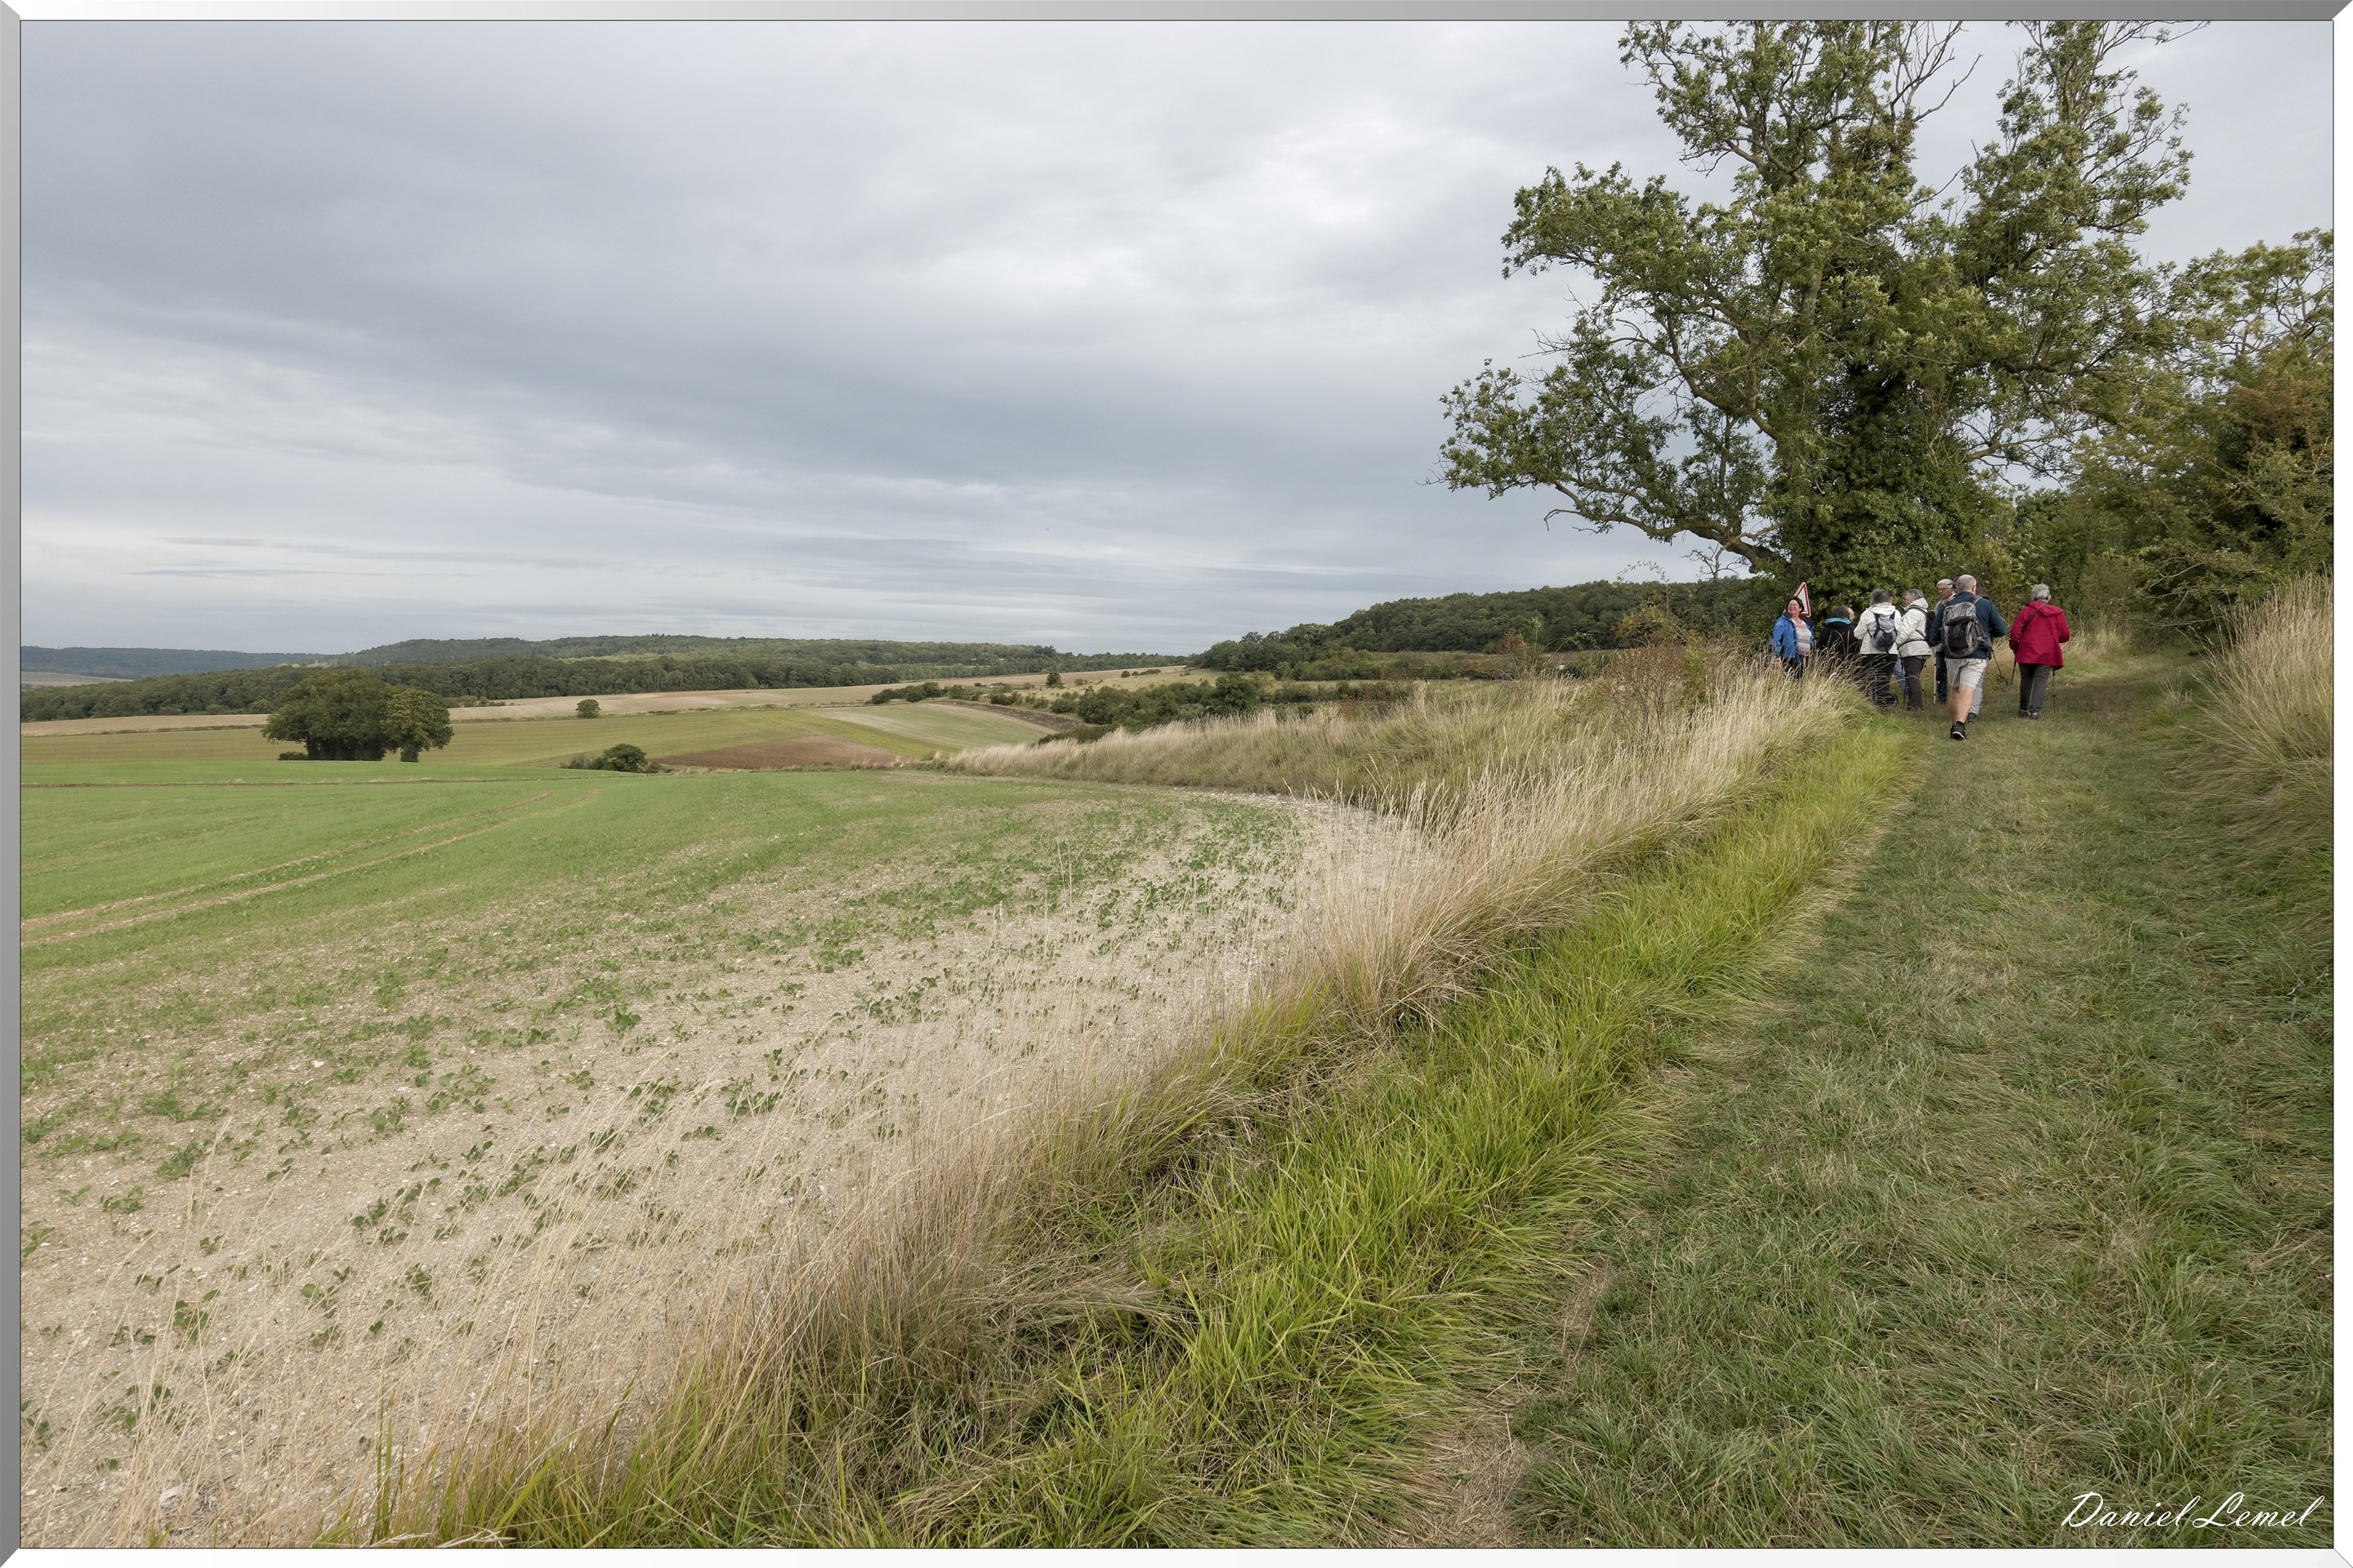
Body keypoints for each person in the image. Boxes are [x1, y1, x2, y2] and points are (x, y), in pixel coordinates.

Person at [1939, 573, 2005, 739]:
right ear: (1974, 588)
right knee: (1967, 689)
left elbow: (1933, 633)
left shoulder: (1945, 605)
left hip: (1952, 654)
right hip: (1977, 653)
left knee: (1954, 689)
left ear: (1956, 589)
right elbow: (2001, 630)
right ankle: (1960, 726)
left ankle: (1954, 725)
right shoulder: (1985, 604)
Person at [2009, 584, 2071, 718]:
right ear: (2049, 597)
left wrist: (2015, 647)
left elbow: (2015, 633)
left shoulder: (2026, 611)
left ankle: (2023, 709)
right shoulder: (2058, 613)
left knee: (2026, 680)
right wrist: (2053, 639)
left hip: (2026, 651)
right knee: (2041, 681)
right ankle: (2034, 711)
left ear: (2033, 597)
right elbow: (2065, 635)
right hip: (2048, 653)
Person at [1854, 589, 1904, 707]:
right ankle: (1882, 706)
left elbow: (1858, 634)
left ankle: (1866, 706)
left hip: (1870, 652)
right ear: (1889, 600)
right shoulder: (1896, 613)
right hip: (1891, 652)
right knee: (1884, 679)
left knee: (1866, 679)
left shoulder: (1867, 613)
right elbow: (1900, 632)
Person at [1892, 589, 1931, 711]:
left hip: (1913, 649)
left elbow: (1905, 631)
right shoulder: (1923, 611)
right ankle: (1916, 704)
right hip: (1923, 648)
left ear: (1914, 598)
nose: (1903, 600)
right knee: (1914, 677)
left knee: (1911, 677)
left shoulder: (1913, 613)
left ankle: (1915, 705)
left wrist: (1895, 645)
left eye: (1905, 598)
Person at [1927, 579, 1957, 703]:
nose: (1940, 591)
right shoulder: (1939, 603)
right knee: (1940, 670)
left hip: (1953, 641)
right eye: (1939, 589)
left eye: (1943, 589)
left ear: (1951, 588)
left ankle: (1956, 696)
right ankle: (1942, 697)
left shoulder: (1956, 601)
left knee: (1954, 671)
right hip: (1940, 642)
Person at [1770, 597, 1813, 677]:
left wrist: (1812, 647)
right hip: (1790, 657)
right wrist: (1776, 654)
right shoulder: (1782, 621)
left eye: (1794, 605)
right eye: (1789, 605)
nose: (1791, 606)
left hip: (1805, 658)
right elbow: (1776, 638)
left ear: (1800, 608)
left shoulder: (1806, 623)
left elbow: (1811, 637)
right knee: (1790, 681)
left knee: (1802, 683)